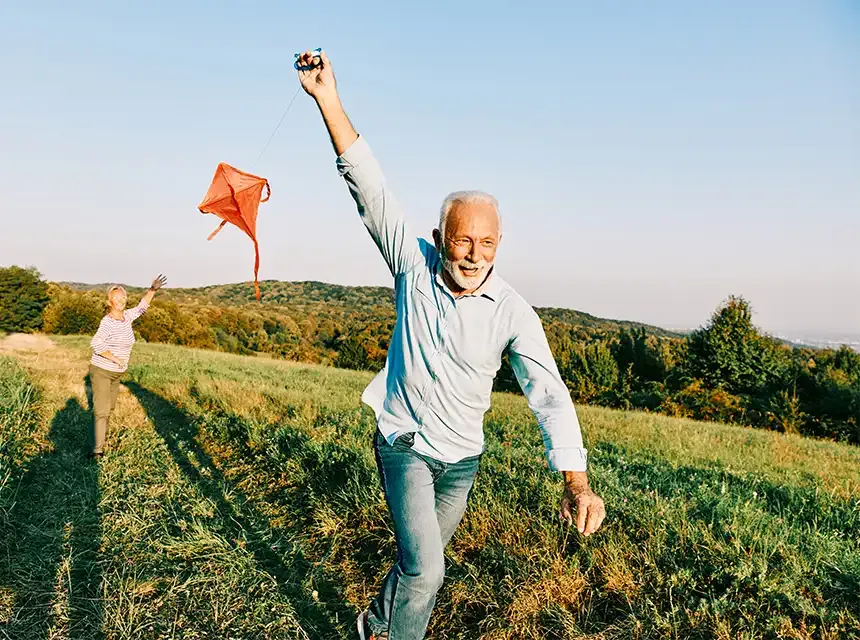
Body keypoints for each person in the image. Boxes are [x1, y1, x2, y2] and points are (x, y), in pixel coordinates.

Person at [296, 50, 606, 640]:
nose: (473, 254)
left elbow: (548, 392)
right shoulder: (412, 264)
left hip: (461, 461)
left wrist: (576, 482)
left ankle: (374, 623)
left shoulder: (513, 311)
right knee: (428, 571)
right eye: (462, 240)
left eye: (487, 243)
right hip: (405, 442)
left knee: (419, 564)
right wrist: (327, 99)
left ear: (499, 245)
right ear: (440, 238)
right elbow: (369, 187)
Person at [87, 275, 167, 458]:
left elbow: (141, 307)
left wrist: (152, 290)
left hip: (116, 374)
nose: (121, 301)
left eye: (123, 297)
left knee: (110, 408)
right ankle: (96, 451)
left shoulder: (127, 317)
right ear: (109, 301)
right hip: (102, 371)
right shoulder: (107, 322)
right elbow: (96, 343)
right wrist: (114, 358)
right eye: (116, 298)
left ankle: (101, 437)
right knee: (102, 411)